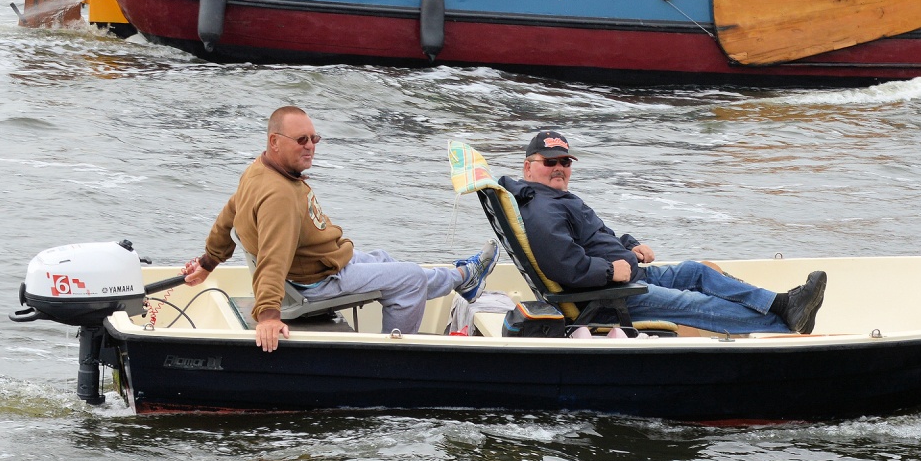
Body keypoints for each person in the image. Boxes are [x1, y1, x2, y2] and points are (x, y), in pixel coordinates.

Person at [183, 106, 497, 351]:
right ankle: (394, 355)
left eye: (314, 139)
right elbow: (272, 259)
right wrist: (268, 316)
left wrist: (209, 263)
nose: (310, 147)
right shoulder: (279, 195)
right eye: (301, 140)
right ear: (274, 142)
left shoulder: (259, 169)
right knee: (410, 280)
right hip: (317, 279)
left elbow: (228, 214)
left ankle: (461, 279)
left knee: (385, 259)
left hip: (330, 258)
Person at [498, 129, 826, 335]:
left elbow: (593, 233)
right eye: (550, 161)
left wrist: (629, 244)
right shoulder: (541, 209)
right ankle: (786, 323)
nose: (559, 167)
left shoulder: (554, 198)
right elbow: (563, 264)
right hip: (606, 297)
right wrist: (611, 270)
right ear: (528, 167)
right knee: (694, 302)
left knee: (695, 271)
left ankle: (782, 304)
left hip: (623, 278)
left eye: (566, 162)